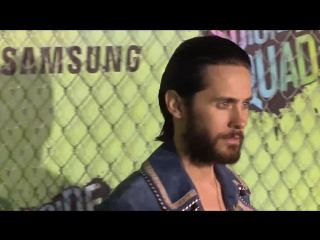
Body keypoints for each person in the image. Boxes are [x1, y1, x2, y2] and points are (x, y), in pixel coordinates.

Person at [95, 35, 256, 211]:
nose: (240, 120)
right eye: (224, 104)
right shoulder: (133, 204)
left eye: (245, 104)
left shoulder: (238, 192)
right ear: (176, 105)